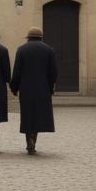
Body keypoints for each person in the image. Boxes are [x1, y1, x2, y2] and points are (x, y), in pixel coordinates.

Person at [9, 27, 57, 155]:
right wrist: (51, 87)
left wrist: (14, 88)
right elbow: (53, 73)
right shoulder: (49, 50)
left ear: (28, 37)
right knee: (39, 115)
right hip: (43, 88)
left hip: (26, 88)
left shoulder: (22, 50)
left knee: (27, 114)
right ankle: (33, 140)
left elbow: (17, 72)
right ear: (41, 37)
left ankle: (29, 140)